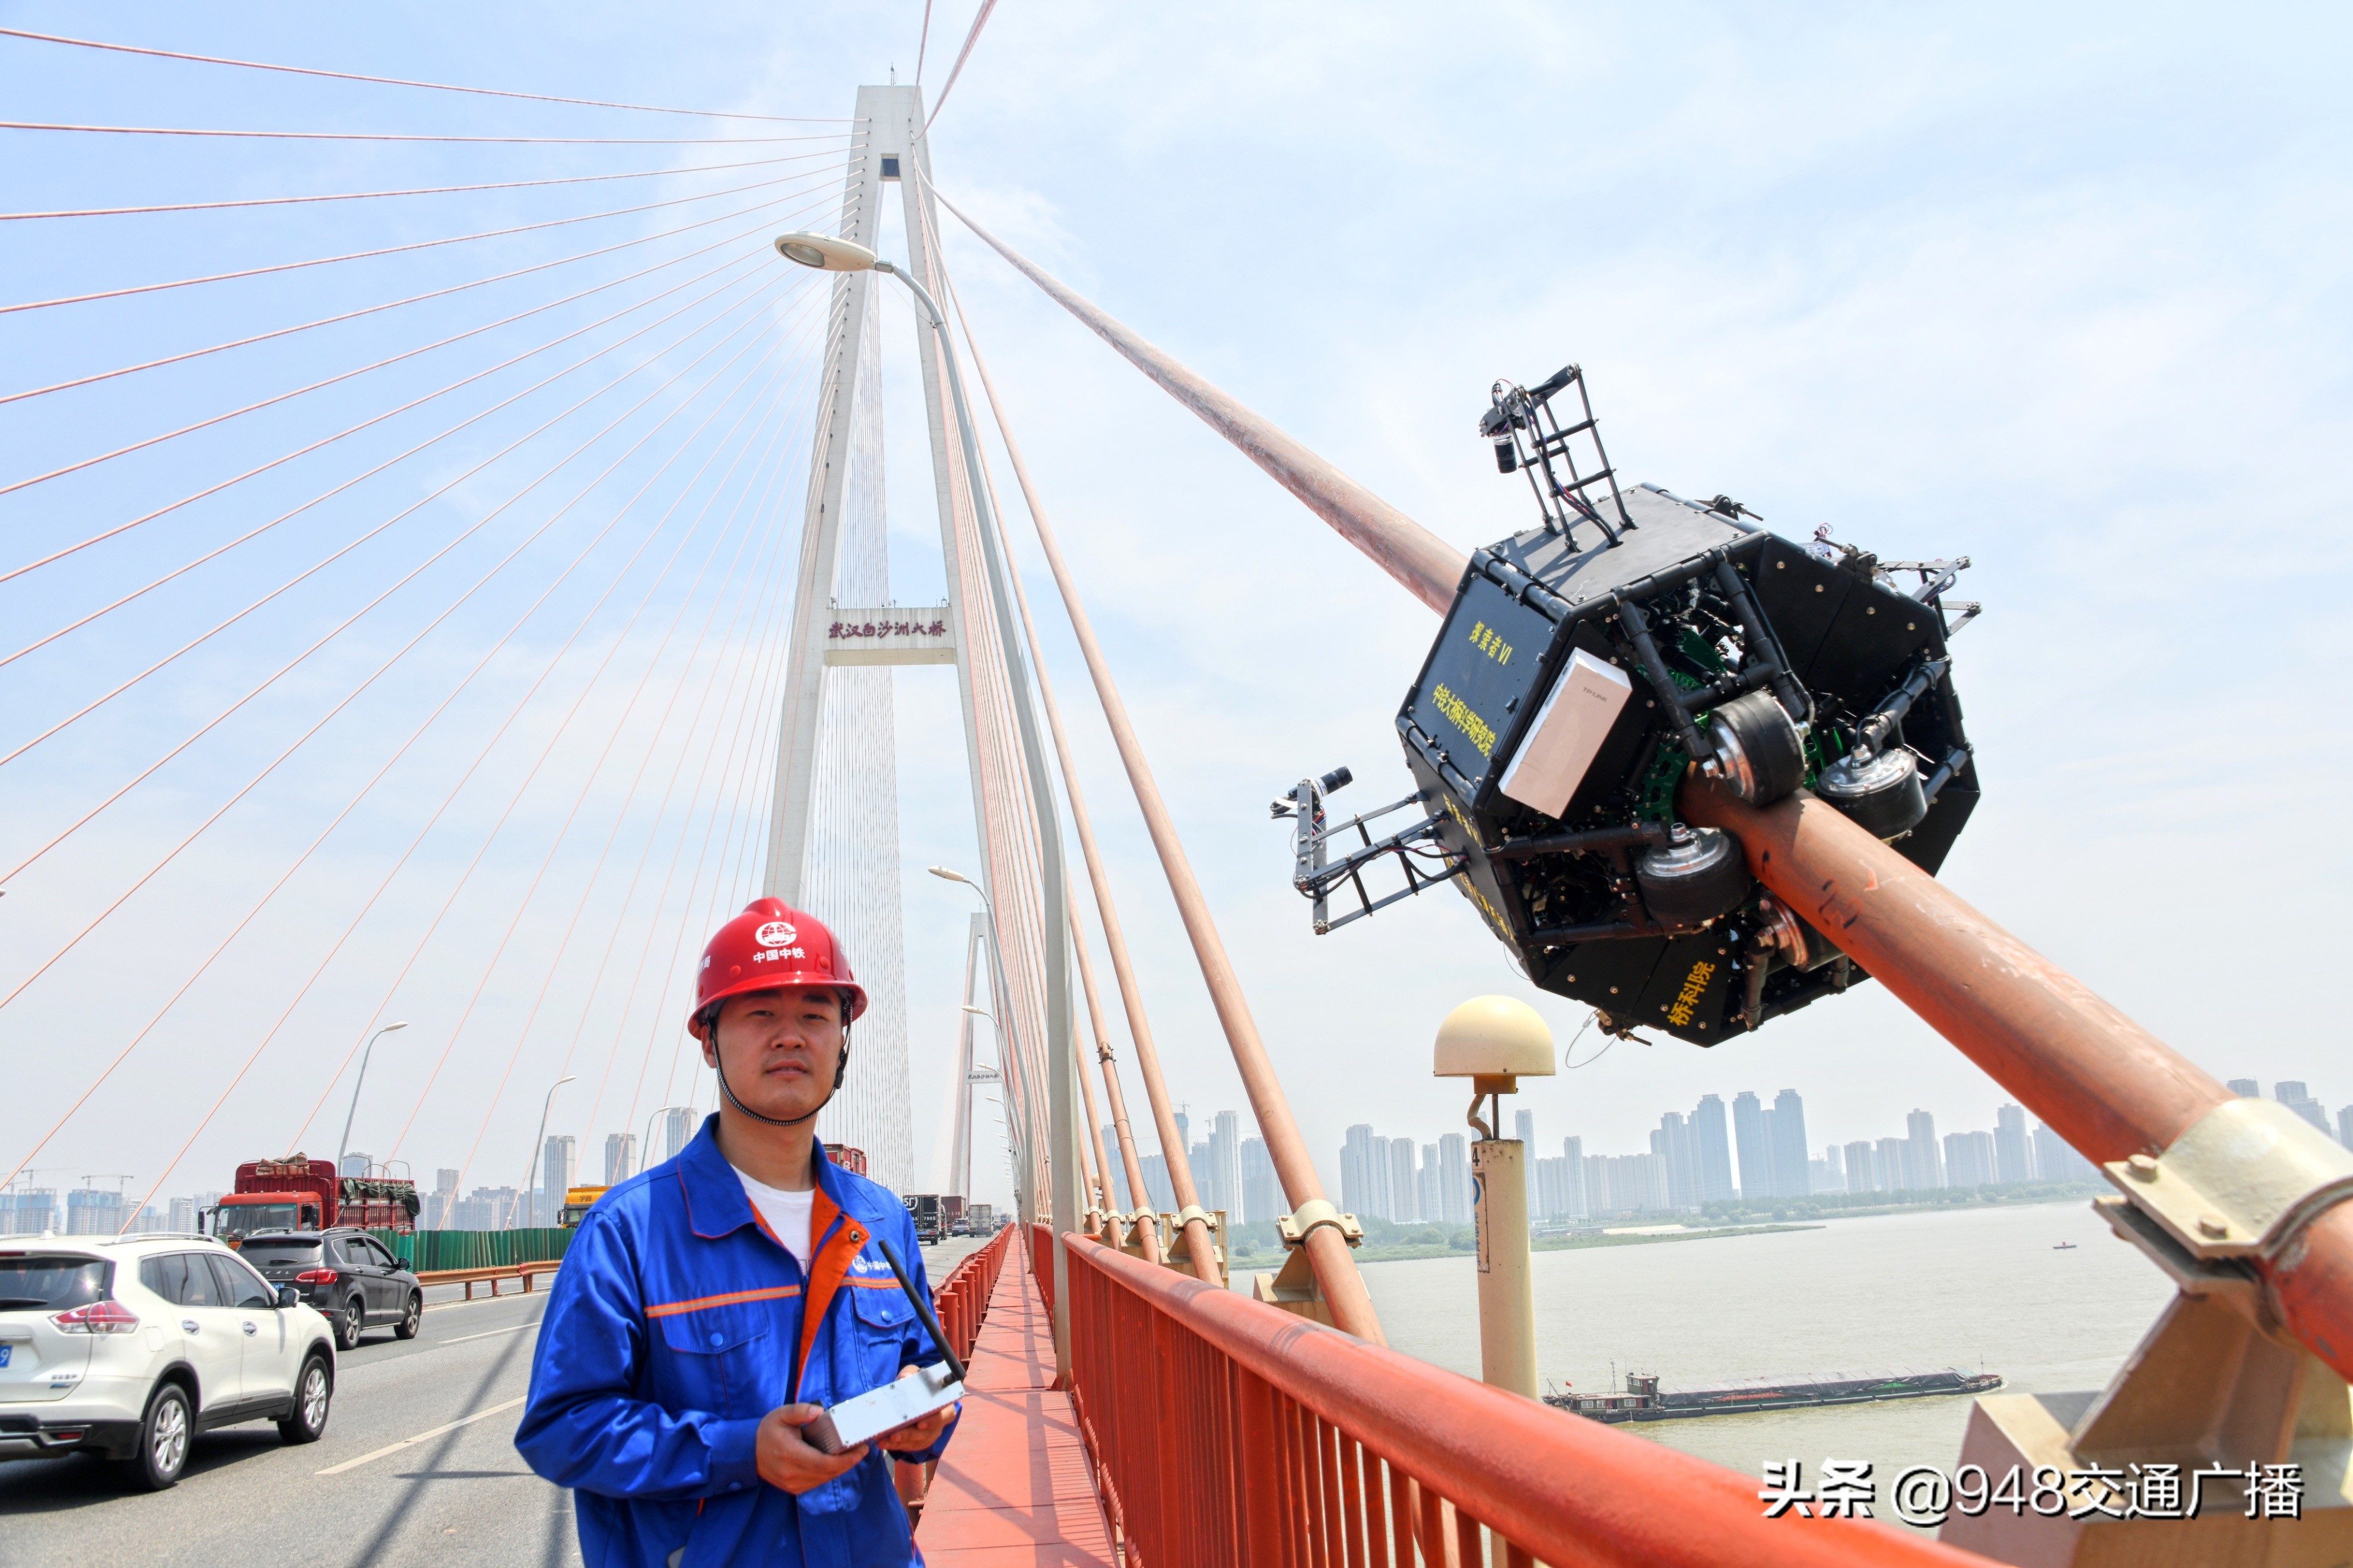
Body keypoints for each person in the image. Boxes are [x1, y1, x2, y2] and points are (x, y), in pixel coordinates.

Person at [517, 898, 957, 1566]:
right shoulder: (630, 1233)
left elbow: (927, 1370)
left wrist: (928, 1419)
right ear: (707, 1040)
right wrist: (739, 1450)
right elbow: (560, 1429)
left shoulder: (880, 1220)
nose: (791, 1036)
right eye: (760, 1014)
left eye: (815, 1015)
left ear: (843, 1039)